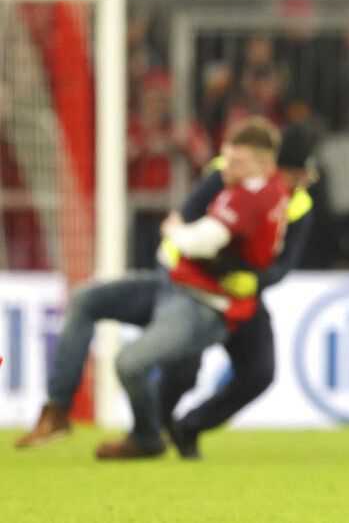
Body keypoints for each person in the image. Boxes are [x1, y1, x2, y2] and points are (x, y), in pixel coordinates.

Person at [14, 118, 289, 459]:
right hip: (173, 284)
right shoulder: (247, 186)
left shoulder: (255, 195)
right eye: (226, 157)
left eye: (237, 162)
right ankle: (57, 410)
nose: (226, 167)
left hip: (203, 304)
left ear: (264, 165)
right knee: (85, 300)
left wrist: (174, 231)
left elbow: (202, 241)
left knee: (131, 363)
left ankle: (147, 437)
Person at [157, 124, 316, 459]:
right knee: (183, 371)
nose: (300, 184)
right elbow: (187, 220)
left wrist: (253, 279)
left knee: (259, 373)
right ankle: (153, 429)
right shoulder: (225, 176)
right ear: (273, 168)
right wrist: (214, 262)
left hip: (240, 294)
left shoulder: (299, 204)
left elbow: (284, 264)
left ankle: (191, 426)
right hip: (195, 284)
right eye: (296, 175)